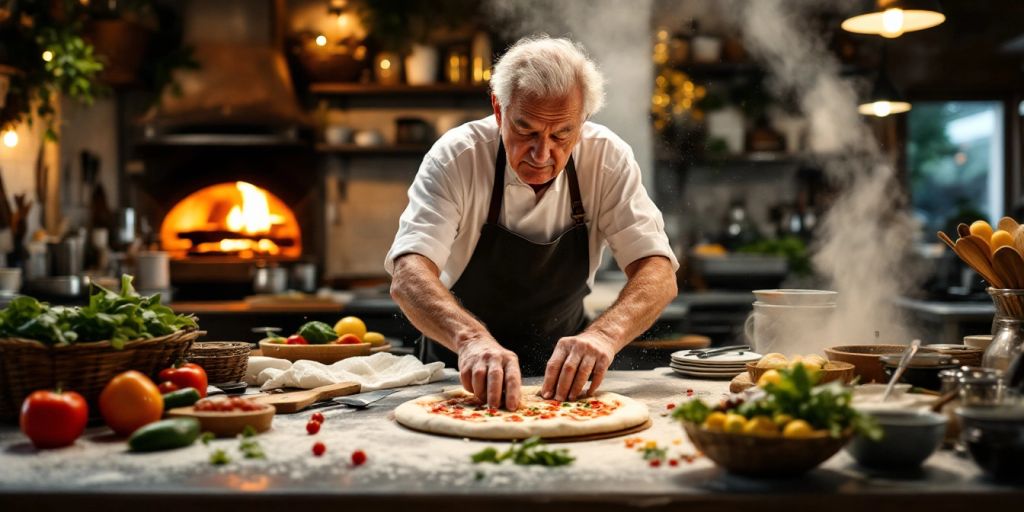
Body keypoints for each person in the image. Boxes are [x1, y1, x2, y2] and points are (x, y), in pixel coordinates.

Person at [386, 35, 678, 411]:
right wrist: (472, 340)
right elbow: (408, 274)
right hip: (457, 375)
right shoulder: (457, 157)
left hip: (567, 380)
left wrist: (605, 335)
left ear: (583, 120)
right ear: (498, 109)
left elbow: (658, 269)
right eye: (526, 131)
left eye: (562, 134)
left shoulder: (607, 158)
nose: (543, 154)